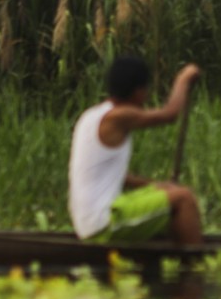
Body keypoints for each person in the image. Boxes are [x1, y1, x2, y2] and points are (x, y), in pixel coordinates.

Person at [68, 55, 204, 247]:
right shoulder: (119, 115)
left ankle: (175, 255)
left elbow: (117, 177)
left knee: (171, 191)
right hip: (103, 223)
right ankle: (196, 269)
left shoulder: (92, 115)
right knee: (184, 198)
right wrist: (184, 78)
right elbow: (170, 114)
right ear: (138, 91)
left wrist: (156, 185)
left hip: (90, 221)